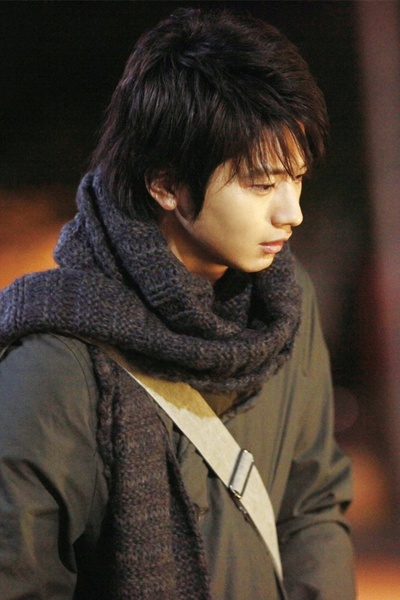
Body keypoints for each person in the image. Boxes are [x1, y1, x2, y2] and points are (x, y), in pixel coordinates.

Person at [0, 8, 355, 600]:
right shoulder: (55, 362)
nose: (290, 212)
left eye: (297, 178)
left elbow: (311, 506)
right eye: (261, 184)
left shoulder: (286, 307)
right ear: (165, 184)